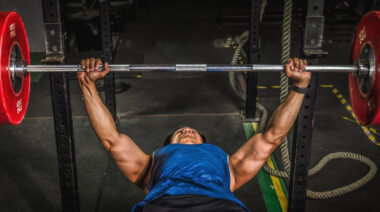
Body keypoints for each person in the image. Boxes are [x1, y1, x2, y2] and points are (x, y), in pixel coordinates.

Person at [77, 57, 310, 212]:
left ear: (207, 147)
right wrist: (87, 84)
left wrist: (300, 86)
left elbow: (273, 137)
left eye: (193, 133)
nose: (187, 130)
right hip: (164, 206)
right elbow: (111, 140)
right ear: (167, 147)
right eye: (180, 132)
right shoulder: (152, 165)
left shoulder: (229, 166)